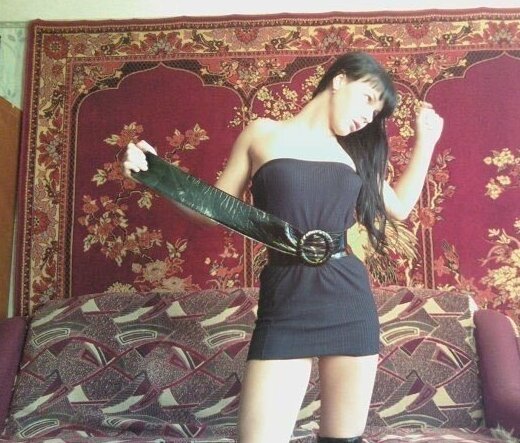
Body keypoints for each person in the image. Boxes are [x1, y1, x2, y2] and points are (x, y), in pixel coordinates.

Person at [122, 52, 443, 443]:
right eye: (367, 99)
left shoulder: (355, 153)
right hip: (286, 302)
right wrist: (156, 175)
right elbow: (213, 211)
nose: (368, 116)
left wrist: (426, 142)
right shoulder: (263, 133)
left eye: (376, 113)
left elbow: (401, 208)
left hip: (349, 303)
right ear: (340, 80)